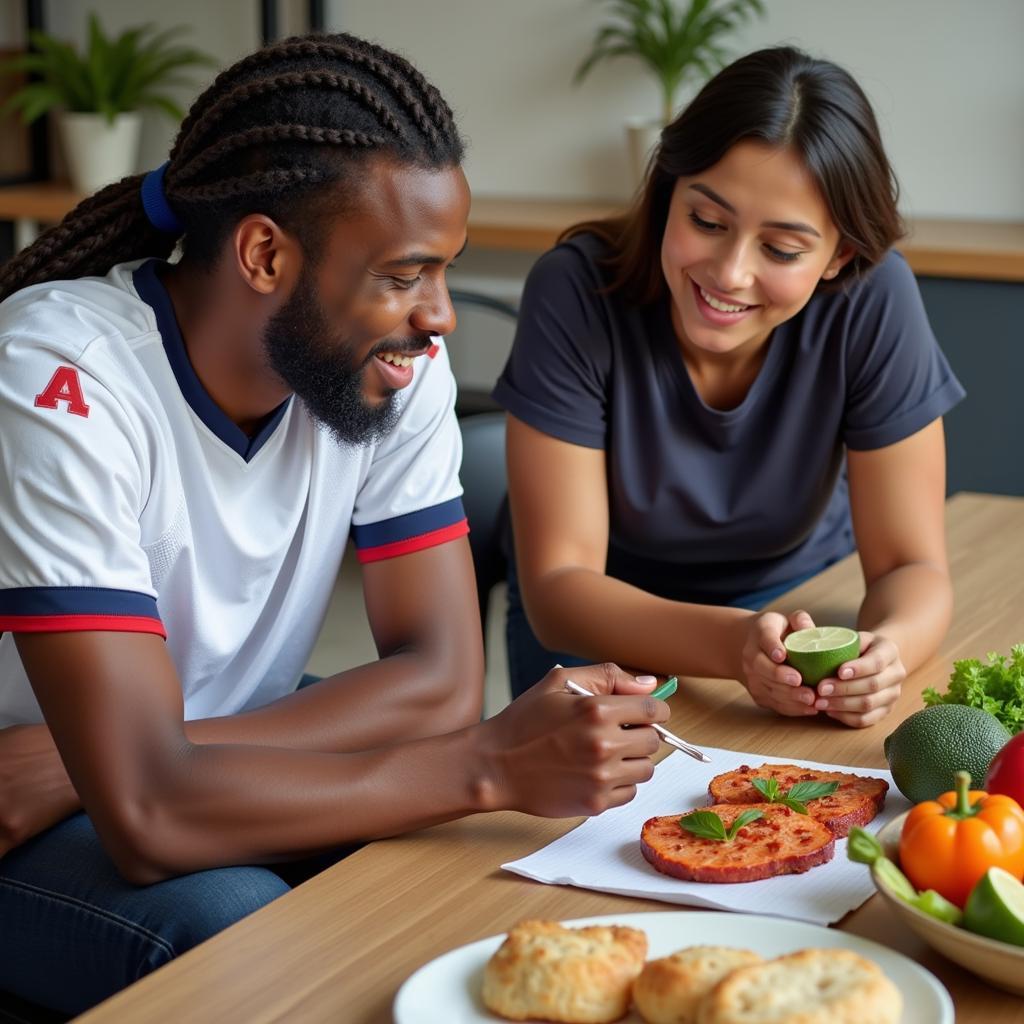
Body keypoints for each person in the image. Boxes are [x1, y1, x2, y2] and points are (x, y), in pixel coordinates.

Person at [0, 34, 669, 1016]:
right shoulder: (60, 380)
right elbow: (148, 817)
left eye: (445, 270)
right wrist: (485, 765)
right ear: (264, 252)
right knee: (244, 926)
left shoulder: (396, 366)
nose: (438, 315)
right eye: (403, 274)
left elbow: (438, 682)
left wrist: (97, 757)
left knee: (467, 876)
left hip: (95, 761)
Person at [493, 46, 965, 726]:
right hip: (603, 627)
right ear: (667, 193)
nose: (729, 273)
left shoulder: (874, 298)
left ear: (840, 256)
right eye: (707, 223)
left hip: (801, 603)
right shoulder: (575, 289)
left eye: (780, 249)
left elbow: (909, 567)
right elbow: (559, 588)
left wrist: (886, 652)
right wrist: (738, 643)